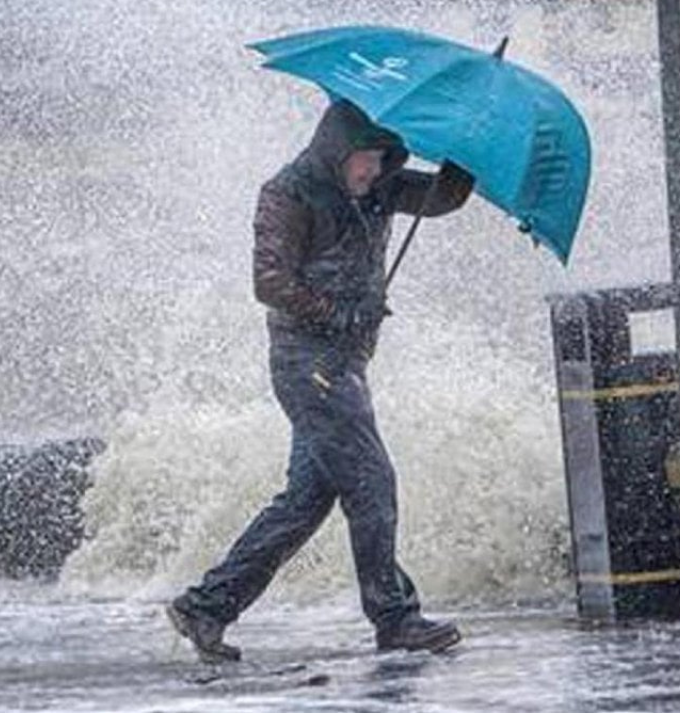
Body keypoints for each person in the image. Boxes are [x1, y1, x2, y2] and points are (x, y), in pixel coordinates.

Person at [167, 100, 474, 662]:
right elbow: (269, 282)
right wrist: (337, 313)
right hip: (307, 363)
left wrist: (465, 152)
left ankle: (206, 607)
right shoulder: (288, 193)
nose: (373, 171)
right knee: (372, 480)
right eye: (365, 159)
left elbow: (442, 198)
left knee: (306, 500)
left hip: (345, 365)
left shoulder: (380, 185)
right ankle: (395, 617)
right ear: (338, 150)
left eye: (383, 159)